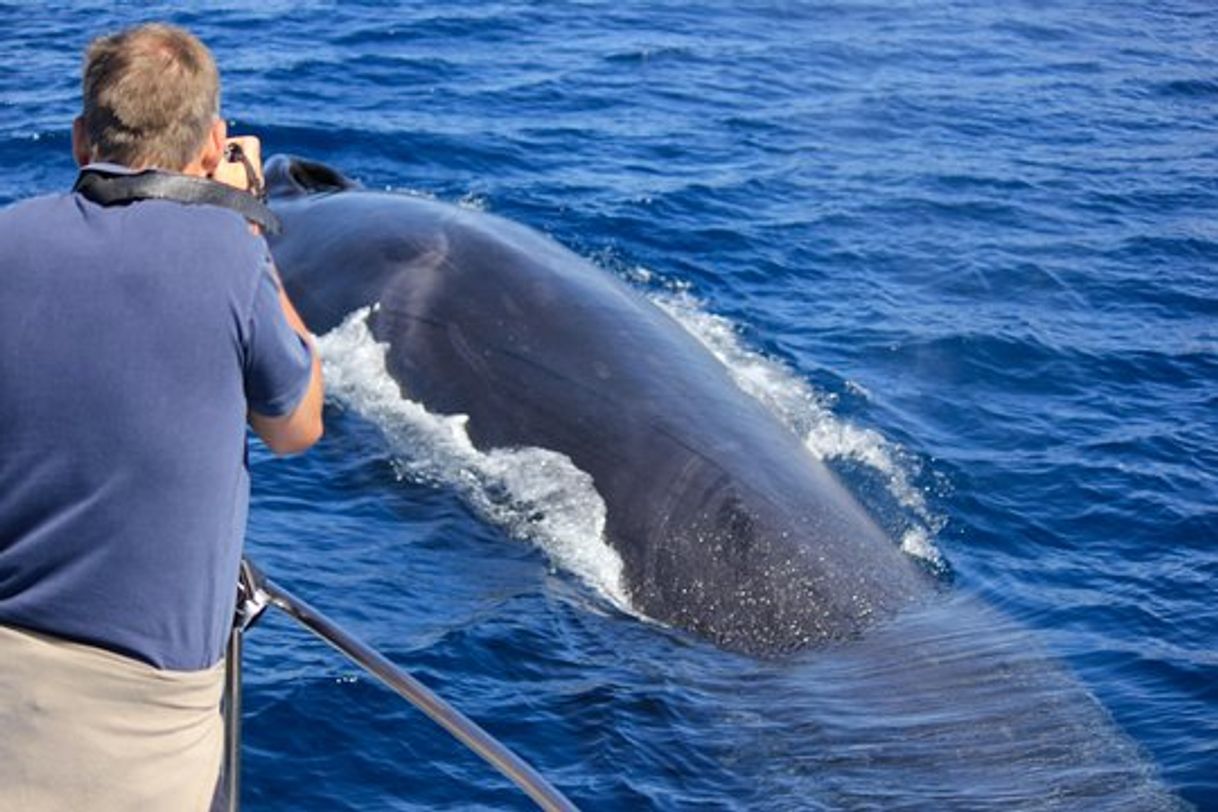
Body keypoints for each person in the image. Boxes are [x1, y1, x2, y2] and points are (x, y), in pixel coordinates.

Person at [0, 23, 323, 812]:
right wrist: (247, 226)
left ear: (83, 139)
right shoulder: (232, 257)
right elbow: (296, 427)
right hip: (146, 725)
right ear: (213, 144)